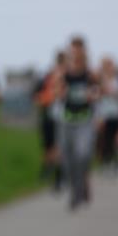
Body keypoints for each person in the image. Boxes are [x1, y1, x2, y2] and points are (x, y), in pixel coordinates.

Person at [53, 36, 100, 210]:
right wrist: (60, 92)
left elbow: (97, 93)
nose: (76, 53)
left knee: (83, 154)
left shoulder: (90, 74)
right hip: (66, 120)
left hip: (85, 120)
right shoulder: (62, 73)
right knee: (67, 160)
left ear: (84, 52)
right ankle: (75, 191)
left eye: (79, 50)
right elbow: (56, 94)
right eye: (73, 50)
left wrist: (93, 95)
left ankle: (81, 188)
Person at [34, 51, 66, 191]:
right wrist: (48, 96)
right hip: (48, 115)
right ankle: (48, 170)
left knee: (58, 148)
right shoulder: (47, 77)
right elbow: (37, 96)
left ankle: (58, 175)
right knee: (48, 147)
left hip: (64, 118)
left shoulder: (69, 77)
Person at [94, 56, 118, 174]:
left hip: (115, 114)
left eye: (111, 66)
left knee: (113, 140)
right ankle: (105, 162)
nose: (110, 69)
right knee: (104, 140)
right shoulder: (99, 80)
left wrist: (111, 92)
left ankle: (113, 162)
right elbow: (97, 95)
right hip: (103, 115)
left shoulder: (117, 81)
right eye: (107, 66)